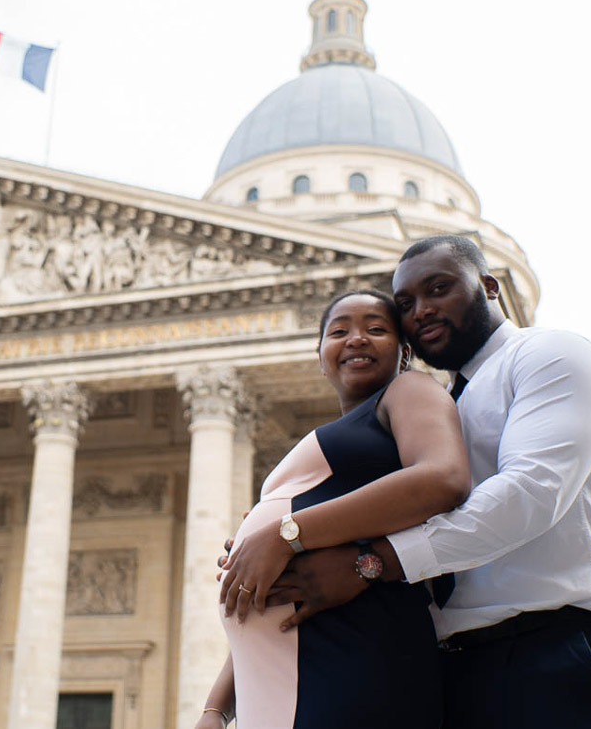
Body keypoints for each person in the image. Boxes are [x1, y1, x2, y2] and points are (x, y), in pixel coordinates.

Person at [264, 235, 591, 728]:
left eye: (439, 288)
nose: (421, 310)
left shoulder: (552, 354)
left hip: (553, 651)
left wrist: (371, 562)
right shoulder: (433, 407)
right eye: (405, 304)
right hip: (452, 670)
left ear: (489, 286)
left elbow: (530, 494)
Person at [196, 289, 471, 729]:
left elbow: (444, 479)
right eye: (339, 331)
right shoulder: (343, 435)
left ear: (404, 353)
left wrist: (284, 532)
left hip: (350, 661)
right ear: (321, 356)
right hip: (279, 685)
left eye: (376, 329)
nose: (357, 338)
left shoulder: (408, 390)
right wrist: (217, 708)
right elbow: (271, 592)